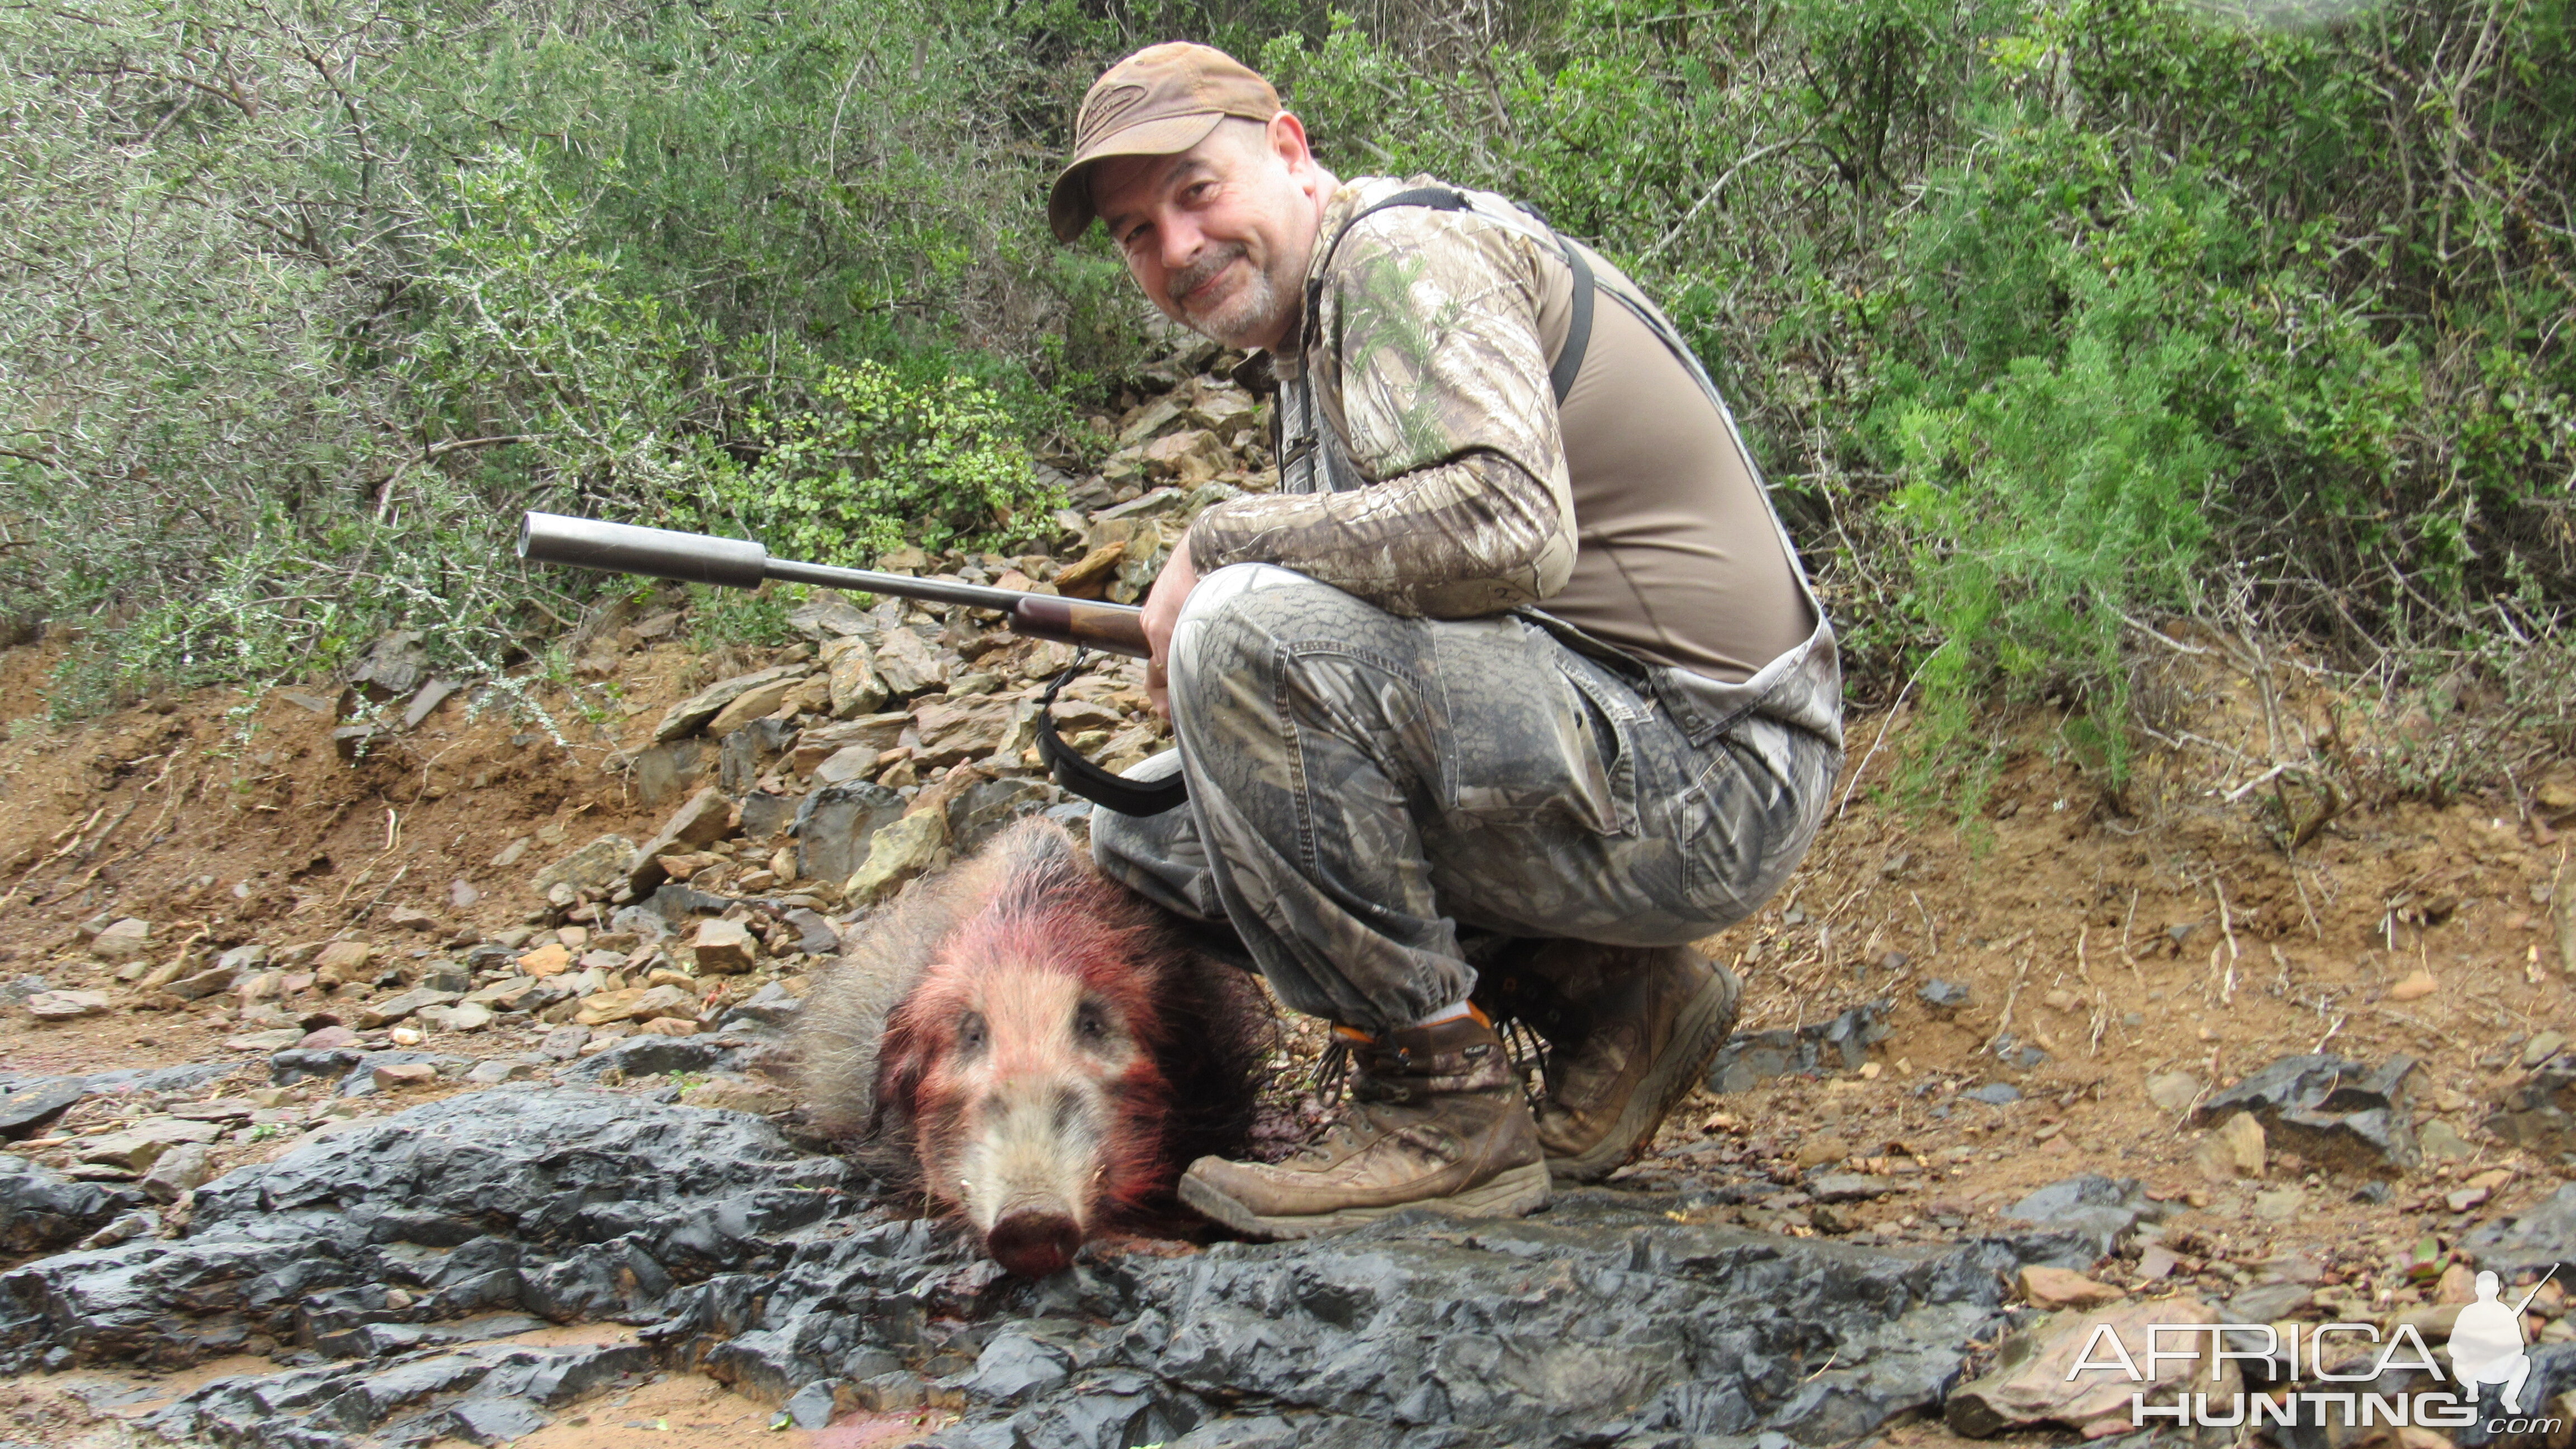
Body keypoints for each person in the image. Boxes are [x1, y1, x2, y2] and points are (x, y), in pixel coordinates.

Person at [1050, 41, 1843, 1240]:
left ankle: (1439, 1115)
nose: (1175, 247)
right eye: (1136, 232)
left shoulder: (1395, 257)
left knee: (1244, 634)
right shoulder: (1316, 328)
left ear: (1289, 149)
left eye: (1195, 191)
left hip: (1715, 767)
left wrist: (1221, 547)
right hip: (1630, 742)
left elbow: (1511, 530)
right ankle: (1613, 1000)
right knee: (1152, 832)